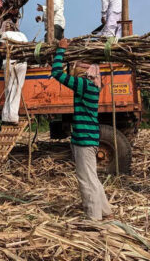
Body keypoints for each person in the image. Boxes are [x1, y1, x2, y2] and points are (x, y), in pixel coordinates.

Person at [51, 38, 112, 220]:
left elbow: (56, 73)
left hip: (85, 140)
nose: (76, 68)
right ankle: (106, 212)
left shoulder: (84, 85)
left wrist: (61, 50)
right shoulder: (93, 86)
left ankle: (93, 218)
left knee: (86, 180)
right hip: (88, 138)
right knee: (92, 177)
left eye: (79, 66)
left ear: (87, 73)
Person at [0, 22, 28, 124]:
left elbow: (3, 51)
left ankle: (9, 116)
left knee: (9, 89)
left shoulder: (5, 34)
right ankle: (10, 116)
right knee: (16, 89)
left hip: (10, 62)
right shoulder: (23, 35)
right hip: (22, 63)